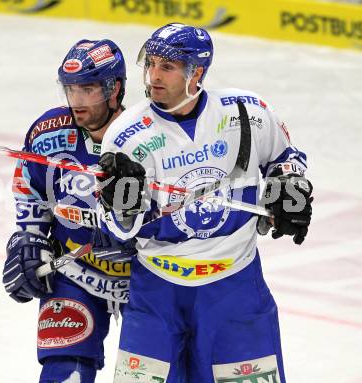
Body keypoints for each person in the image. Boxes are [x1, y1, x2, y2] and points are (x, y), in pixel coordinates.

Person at [96, 23, 313, 382]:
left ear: (196, 72)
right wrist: (122, 206)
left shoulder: (247, 112)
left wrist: (287, 183)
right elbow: (119, 230)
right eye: (150, 64)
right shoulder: (125, 135)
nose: (153, 76)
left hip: (235, 285)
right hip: (157, 290)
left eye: (166, 67)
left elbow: (285, 155)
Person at [2, 39, 133, 383]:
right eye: (70, 90)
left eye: (87, 89)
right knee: (64, 371)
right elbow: (30, 187)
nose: (76, 102)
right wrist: (28, 240)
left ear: (114, 88)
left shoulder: (150, 134)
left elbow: (177, 210)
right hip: (75, 272)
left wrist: (139, 236)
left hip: (144, 279)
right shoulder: (50, 133)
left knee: (157, 372)